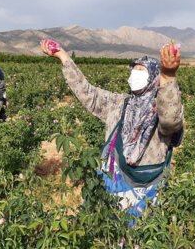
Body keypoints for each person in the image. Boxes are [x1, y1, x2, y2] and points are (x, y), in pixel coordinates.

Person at [40, 39, 184, 217]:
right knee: (111, 230)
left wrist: (169, 77)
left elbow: (171, 120)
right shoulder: (119, 103)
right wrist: (63, 56)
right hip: (114, 184)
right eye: (134, 69)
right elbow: (89, 94)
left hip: (146, 189)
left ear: (154, 77)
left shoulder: (159, 110)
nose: (135, 74)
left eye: (141, 70)